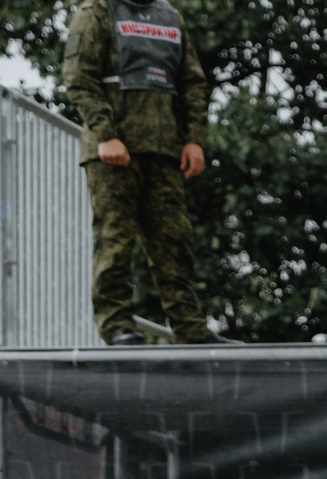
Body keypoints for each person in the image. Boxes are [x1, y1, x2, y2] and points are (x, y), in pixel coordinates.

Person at [61, 0, 212, 346]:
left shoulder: (170, 17)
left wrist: (194, 139)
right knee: (115, 240)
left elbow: (191, 82)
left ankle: (191, 329)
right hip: (114, 152)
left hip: (164, 151)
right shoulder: (97, 12)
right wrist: (106, 133)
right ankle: (117, 326)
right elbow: (78, 78)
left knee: (175, 242)